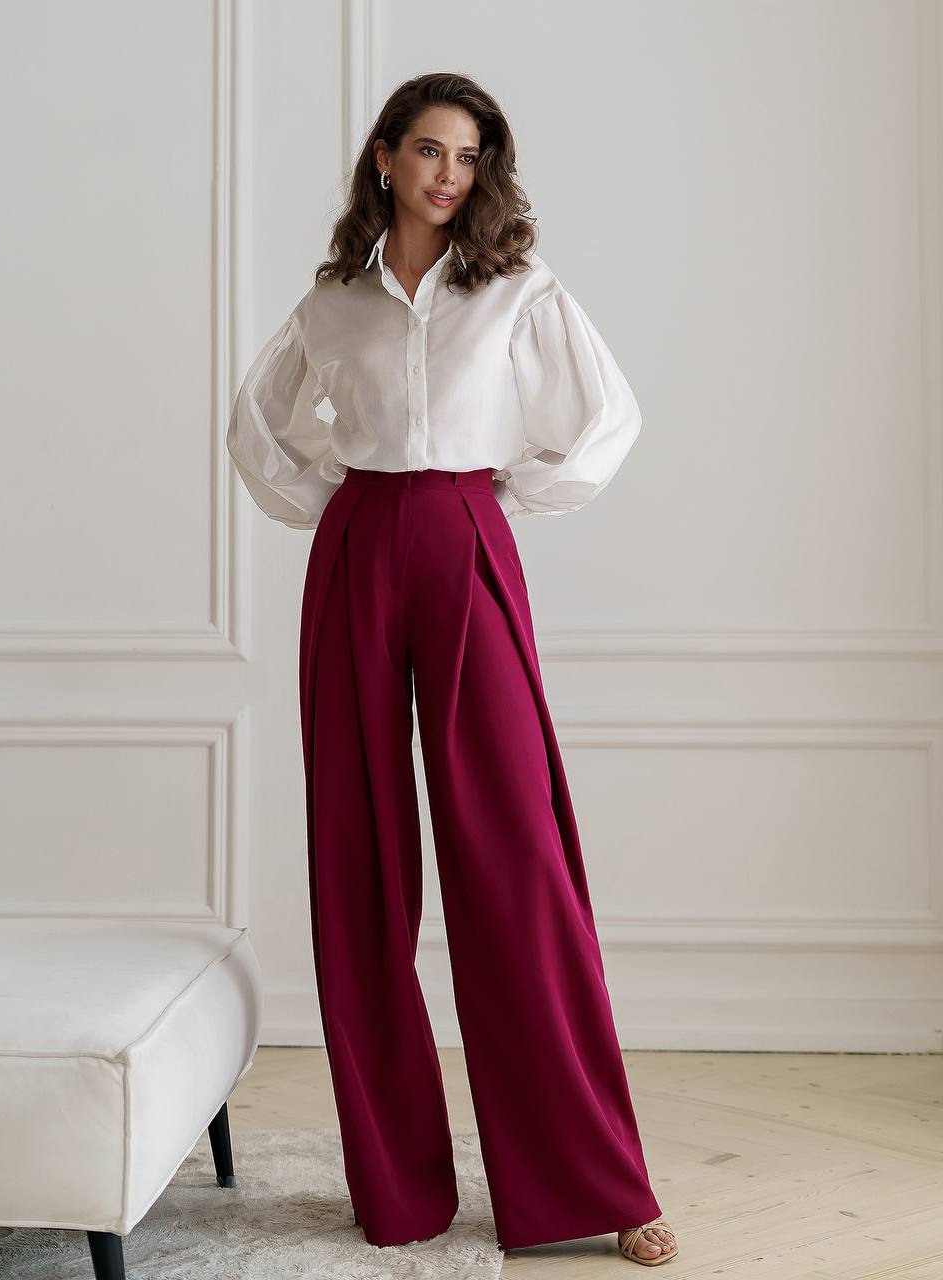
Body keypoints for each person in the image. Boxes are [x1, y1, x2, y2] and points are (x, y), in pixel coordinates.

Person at [226, 71, 679, 1268]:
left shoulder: (518, 290)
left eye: (467, 156)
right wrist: (341, 505)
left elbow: (607, 417)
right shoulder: (333, 304)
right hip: (359, 554)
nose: (446, 174)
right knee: (362, 867)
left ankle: (595, 1181)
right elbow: (257, 425)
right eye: (427, 150)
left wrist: (504, 493)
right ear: (385, 158)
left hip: (469, 543)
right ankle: (399, 1187)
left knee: (513, 854)